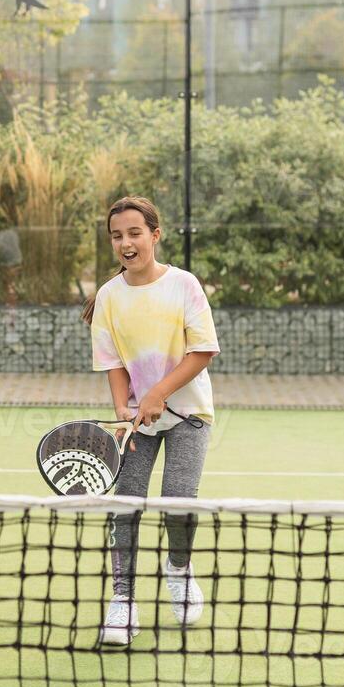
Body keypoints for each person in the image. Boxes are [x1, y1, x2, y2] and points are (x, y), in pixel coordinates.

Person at [82, 195, 219, 645]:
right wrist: (124, 411)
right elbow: (113, 363)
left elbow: (202, 350)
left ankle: (178, 568)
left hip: (188, 414)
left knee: (179, 501)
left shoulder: (184, 285)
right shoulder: (108, 296)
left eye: (134, 233)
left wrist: (158, 392)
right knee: (126, 506)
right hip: (138, 421)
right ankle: (122, 602)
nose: (126, 242)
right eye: (117, 235)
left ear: (155, 235)